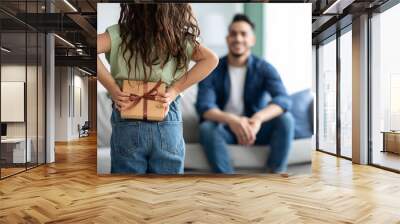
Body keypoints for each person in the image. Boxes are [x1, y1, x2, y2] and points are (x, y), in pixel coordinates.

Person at [97, 3, 218, 174]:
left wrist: (113, 87)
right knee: (168, 189)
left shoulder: (119, 33)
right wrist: (175, 90)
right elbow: (211, 59)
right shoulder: (178, 37)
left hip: (127, 114)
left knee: (127, 188)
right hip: (167, 113)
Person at [195, 14, 294, 174]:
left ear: (252, 40)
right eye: (233, 34)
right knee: (207, 128)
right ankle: (228, 181)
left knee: (286, 120)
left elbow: (283, 99)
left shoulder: (264, 67)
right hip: (225, 128)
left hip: (256, 129)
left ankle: (274, 175)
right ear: (227, 39)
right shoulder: (212, 69)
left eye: (243, 34)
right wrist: (232, 120)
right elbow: (204, 106)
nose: (238, 38)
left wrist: (258, 119)